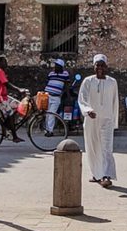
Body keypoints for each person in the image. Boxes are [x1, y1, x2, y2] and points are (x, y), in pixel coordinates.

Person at [78, 53, 120, 187]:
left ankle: (106, 175)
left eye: (102, 65)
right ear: (93, 66)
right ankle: (97, 174)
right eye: (97, 65)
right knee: (92, 148)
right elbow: (82, 99)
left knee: (106, 148)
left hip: (106, 120)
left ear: (106, 67)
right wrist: (87, 110)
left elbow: (115, 102)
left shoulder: (112, 82)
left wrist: (114, 121)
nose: (100, 68)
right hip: (91, 120)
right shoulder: (87, 81)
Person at [0, 57, 30, 142]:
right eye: (4, 62)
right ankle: (14, 137)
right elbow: (6, 84)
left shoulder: (1, 71)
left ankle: (6, 126)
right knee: (10, 114)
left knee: (18, 105)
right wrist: (19, 89)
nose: (6, 63)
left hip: (4, 96)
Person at [43, 59, 74, 133]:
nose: (55, 67)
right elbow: (47, 82)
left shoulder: (65, 74)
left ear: (61, 67)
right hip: (47, 95)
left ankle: (50, 131)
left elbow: (66, 85)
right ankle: (47, 130)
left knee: (52, 114)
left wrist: (68, 96)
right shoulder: (51, 73)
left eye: (57, 66)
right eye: (55, 65)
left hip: (56, 97)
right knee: (47, 114)